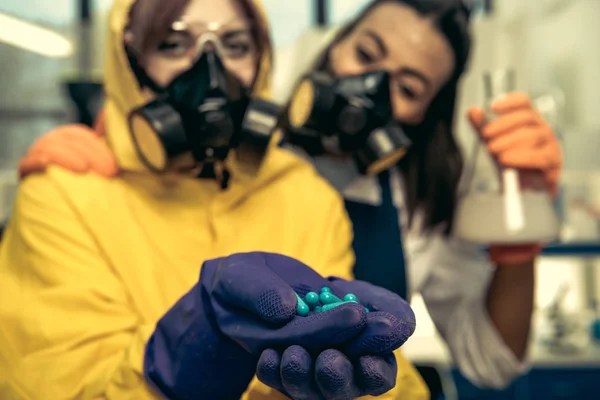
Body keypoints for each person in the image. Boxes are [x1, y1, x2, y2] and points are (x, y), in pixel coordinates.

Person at [13, 0, 562, 393]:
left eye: (407, 87)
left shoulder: (333, 196)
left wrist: (520, 232)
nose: (367, 89)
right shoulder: (78, 184)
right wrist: (111, 138)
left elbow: (491, 362)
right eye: (366, 52)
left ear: (423, 117)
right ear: (332, 46)